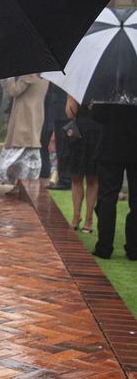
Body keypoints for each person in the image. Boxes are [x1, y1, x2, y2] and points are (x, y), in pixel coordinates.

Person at [0, 74, 48, 194]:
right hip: (35, 115)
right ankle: (11, 180)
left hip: (24, 117)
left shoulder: (29, 75)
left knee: (16, 150)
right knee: (26, 150)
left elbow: (14, 90)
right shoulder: (45, 78)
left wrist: (8, 78)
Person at [91, 104, 137, 260]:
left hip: (111, 145)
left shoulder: (110, 83)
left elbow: (99, 115)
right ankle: (134, 248)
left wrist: (93, 107)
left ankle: (104, 246)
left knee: (107, 198)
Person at [62, 94, 100, 233]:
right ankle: (78, 217)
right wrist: (70, 96)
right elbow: (70, 112)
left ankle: (86, 219)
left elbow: (69, 112)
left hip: (91, 133)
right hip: (80, 135)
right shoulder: (77, 87)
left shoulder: (98, 87)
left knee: (90, 178)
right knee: (79, 178)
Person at [41, 82, 71, 189]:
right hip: (58, 113)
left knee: (64, 148)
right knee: (60, 148)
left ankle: (66, 179)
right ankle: (63, 177)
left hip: (63, 114)